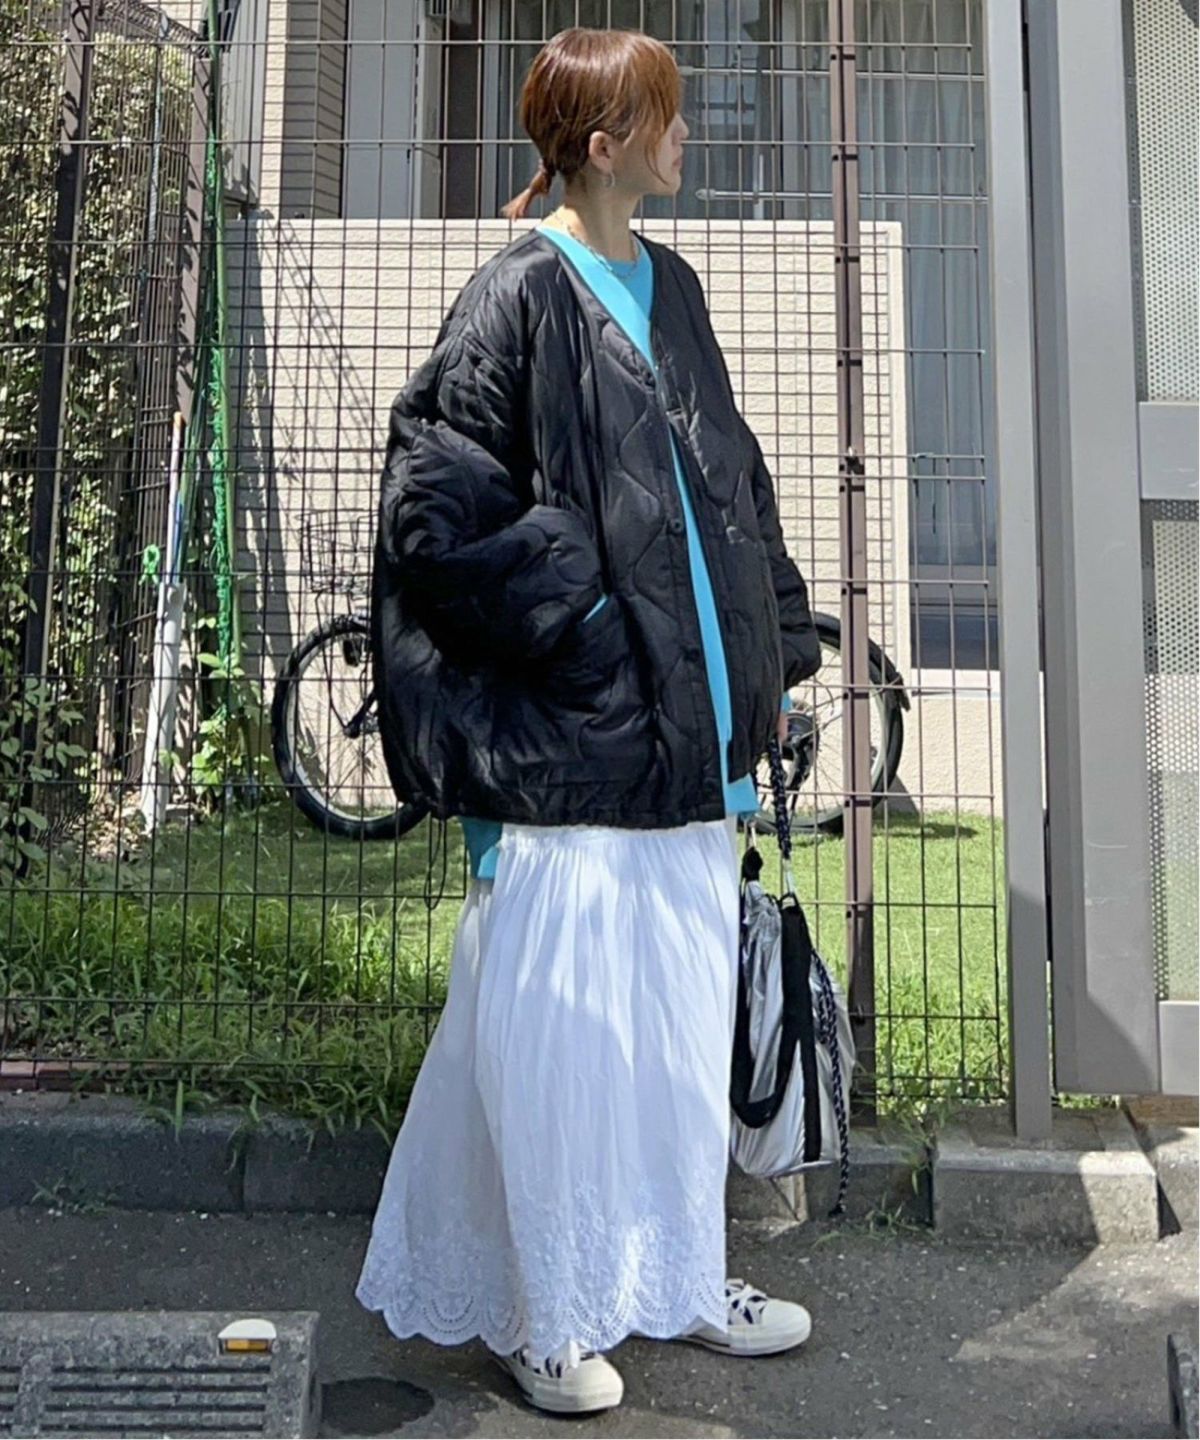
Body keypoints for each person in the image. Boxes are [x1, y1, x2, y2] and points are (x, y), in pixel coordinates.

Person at [355, 25, 823, 1417]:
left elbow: (730, 479)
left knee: (670, 1036)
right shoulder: (514, 295)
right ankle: (541, 1313)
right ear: (606, 145)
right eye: (666, 118)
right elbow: (431, 518)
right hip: (566, 753)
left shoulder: (673, 286)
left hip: (681, 747)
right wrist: (585, 605)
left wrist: (772, 640)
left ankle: (681, 1277)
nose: (687, 137)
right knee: (555, 1046)